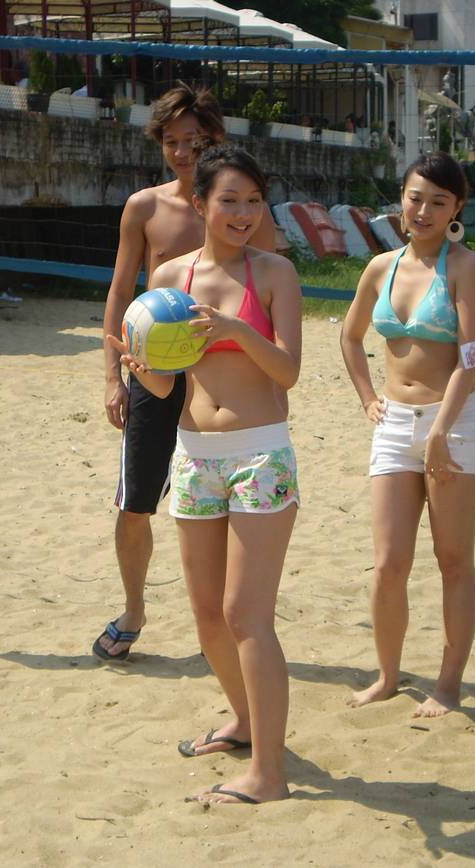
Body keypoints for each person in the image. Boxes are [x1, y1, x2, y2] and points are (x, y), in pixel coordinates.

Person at [108, 144, 302, 805]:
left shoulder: (275, 272)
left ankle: (269, 775)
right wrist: (140, 369)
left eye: (254, 201)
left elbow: (287, 372)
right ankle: (245, 722)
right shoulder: (171, 276)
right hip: (194, 455)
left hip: (260, 454)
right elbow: (168, 386)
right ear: (200, 204)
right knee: (208, 615)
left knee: (247, 615)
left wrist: (233, 327)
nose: (243, 213)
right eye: (229, 200)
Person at [95, 85, 276, 660]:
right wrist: (112, 377)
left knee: (220, 502)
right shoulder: (144, 207)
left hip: (221, 380)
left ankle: (222, 627)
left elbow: (267, 291)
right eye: (171, 141)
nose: (182, 152)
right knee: (135, 505)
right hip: (155, 372)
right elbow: (120, 292)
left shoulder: (243, 210)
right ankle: (134, 607)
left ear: (214, 139)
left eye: (194, 141)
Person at [340, 153, 475, 717]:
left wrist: (441, 430)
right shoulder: (380, 266)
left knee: (453, 559)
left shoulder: (467, 267)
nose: (423, 210)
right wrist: (367, 398)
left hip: (454, 425)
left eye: (438, 201)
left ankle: (448, 685)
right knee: (388, 563)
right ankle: (387, 675)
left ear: (457, 208)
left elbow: (470, 357)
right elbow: (351, 337)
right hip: (393, 425)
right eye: (415, 197)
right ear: (401, 198)